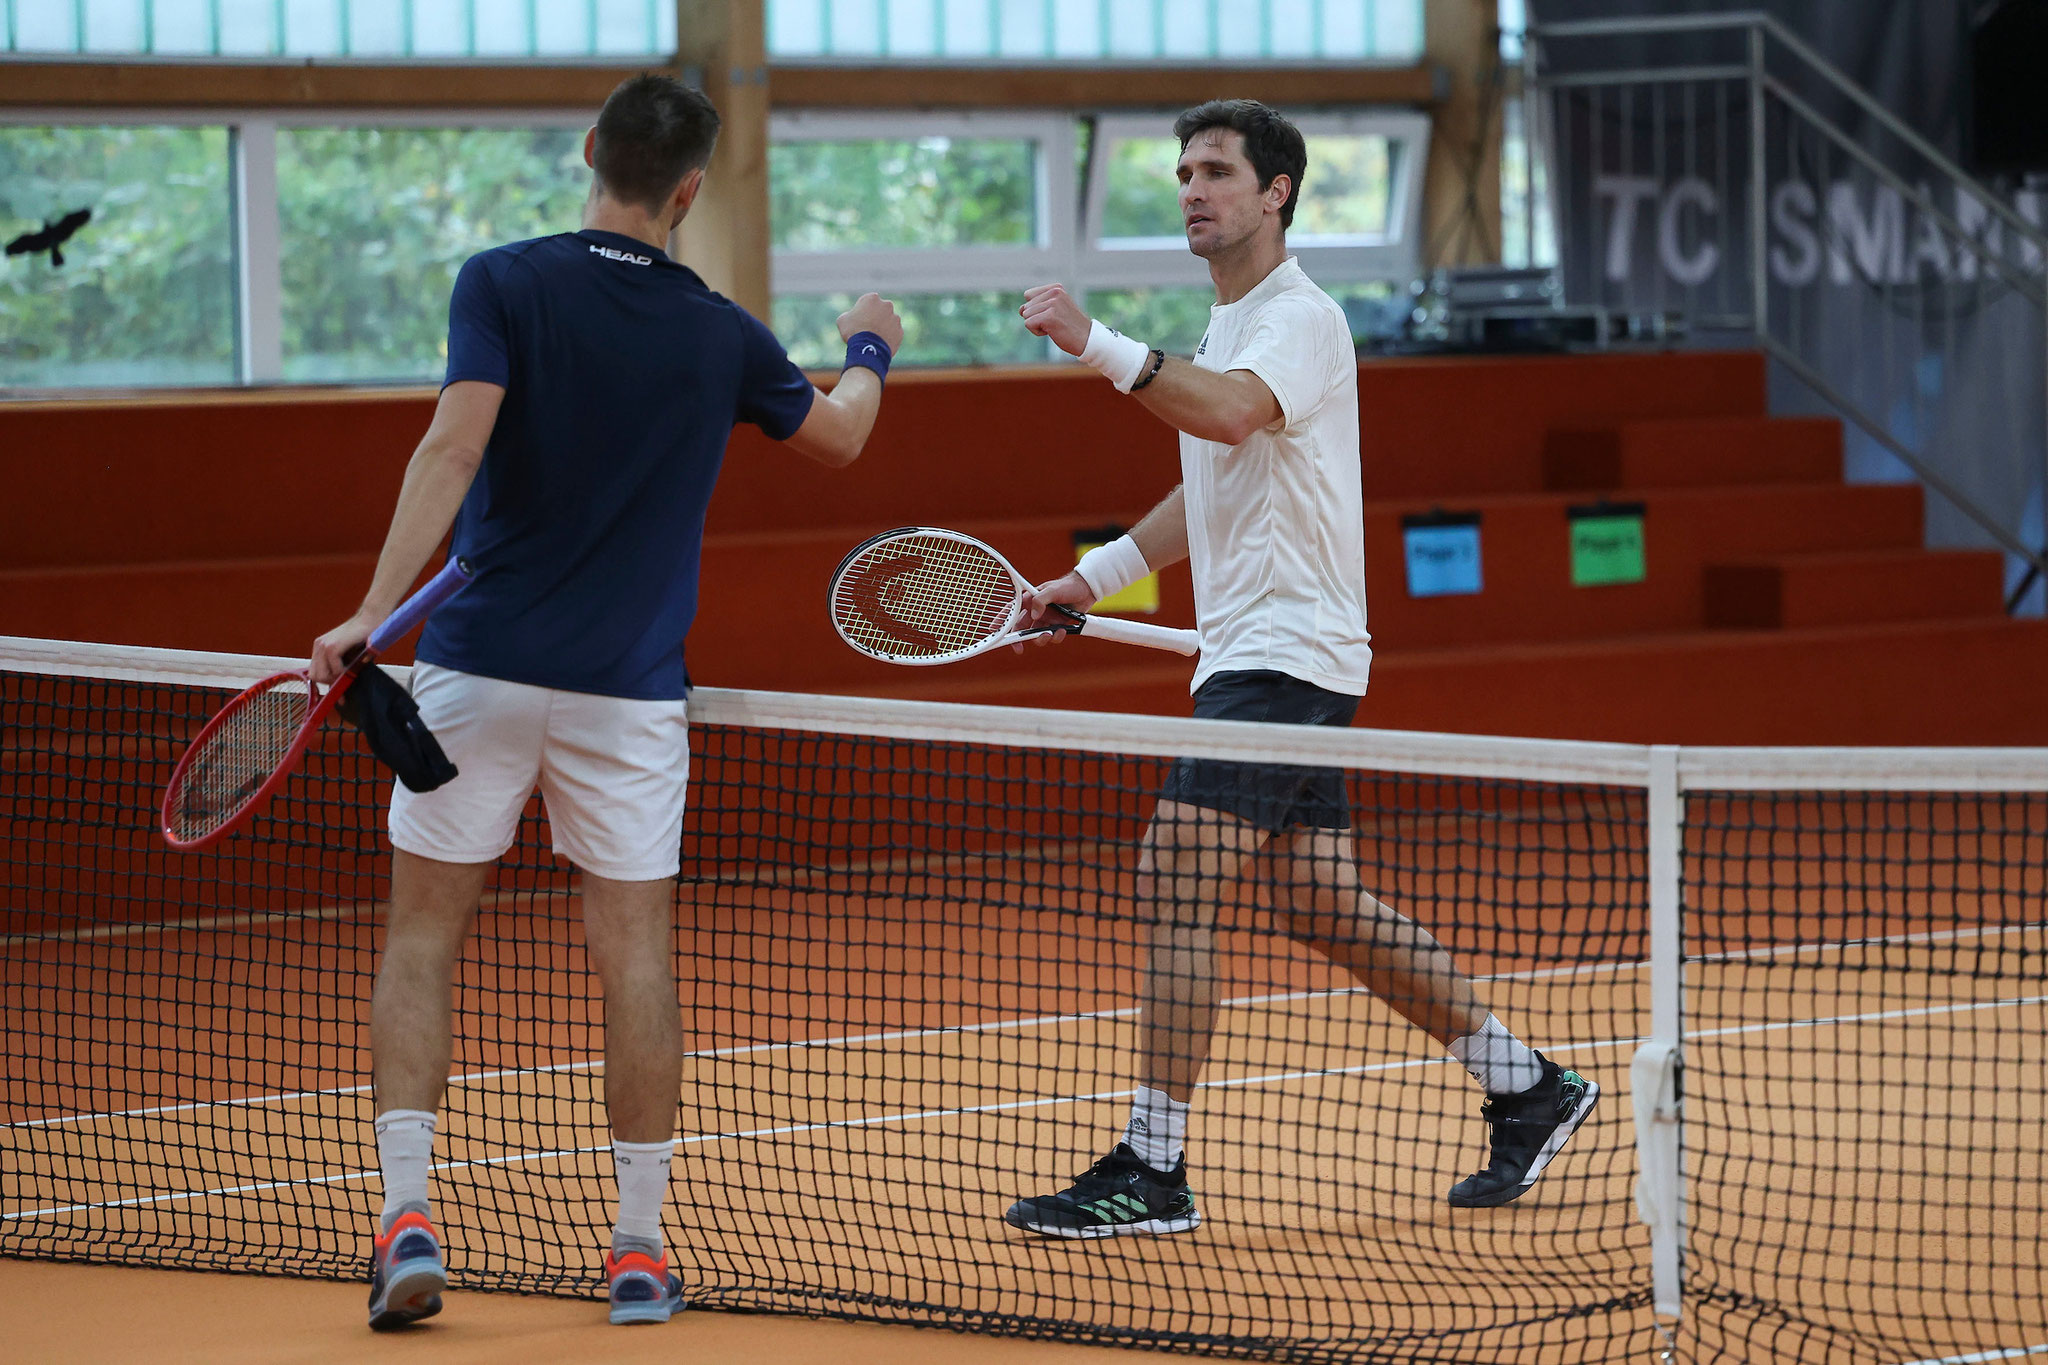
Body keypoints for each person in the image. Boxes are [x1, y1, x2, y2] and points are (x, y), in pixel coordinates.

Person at [309, 73, 903, 1328]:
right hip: (629, 697)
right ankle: (637, 1247)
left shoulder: (502, 280)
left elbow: (453, 447)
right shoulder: (721, 331)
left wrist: (371, 606)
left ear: (590, 151)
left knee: (423, 937)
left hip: (473, 667)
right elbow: (843, 437)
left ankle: (406, 1216)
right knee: (634, 955)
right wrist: (868, 345)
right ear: (688, 192)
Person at [1001, 100, 1597, 1239]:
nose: (1190, 189)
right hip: (1263, 654)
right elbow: (1209, 481)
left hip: (1283, 657)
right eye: (1180, 171)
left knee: (1175, 874)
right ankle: (1527, 1085)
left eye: (1215, 170)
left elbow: (1226, 418)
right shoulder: (1225, 331)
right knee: (1319, 901)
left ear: (1275, 192)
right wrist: (1090, 579)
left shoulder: (1299, 320)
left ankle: (1153, 1167)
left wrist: (1094, 344)